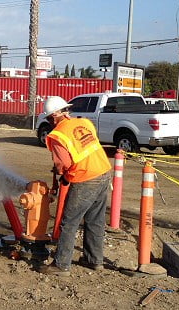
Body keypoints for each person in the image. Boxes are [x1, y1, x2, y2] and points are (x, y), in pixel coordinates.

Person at [38, 96, 112, 277]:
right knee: (95, 220)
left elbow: (62, 163)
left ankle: (61, 265)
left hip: (85, 178)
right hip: (103, 172)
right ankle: (94, 260)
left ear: (55, 115)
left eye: (49, 118)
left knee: (69, 222)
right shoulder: (85, 123)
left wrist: (62, 175)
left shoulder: (57, 135)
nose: (49, 121)